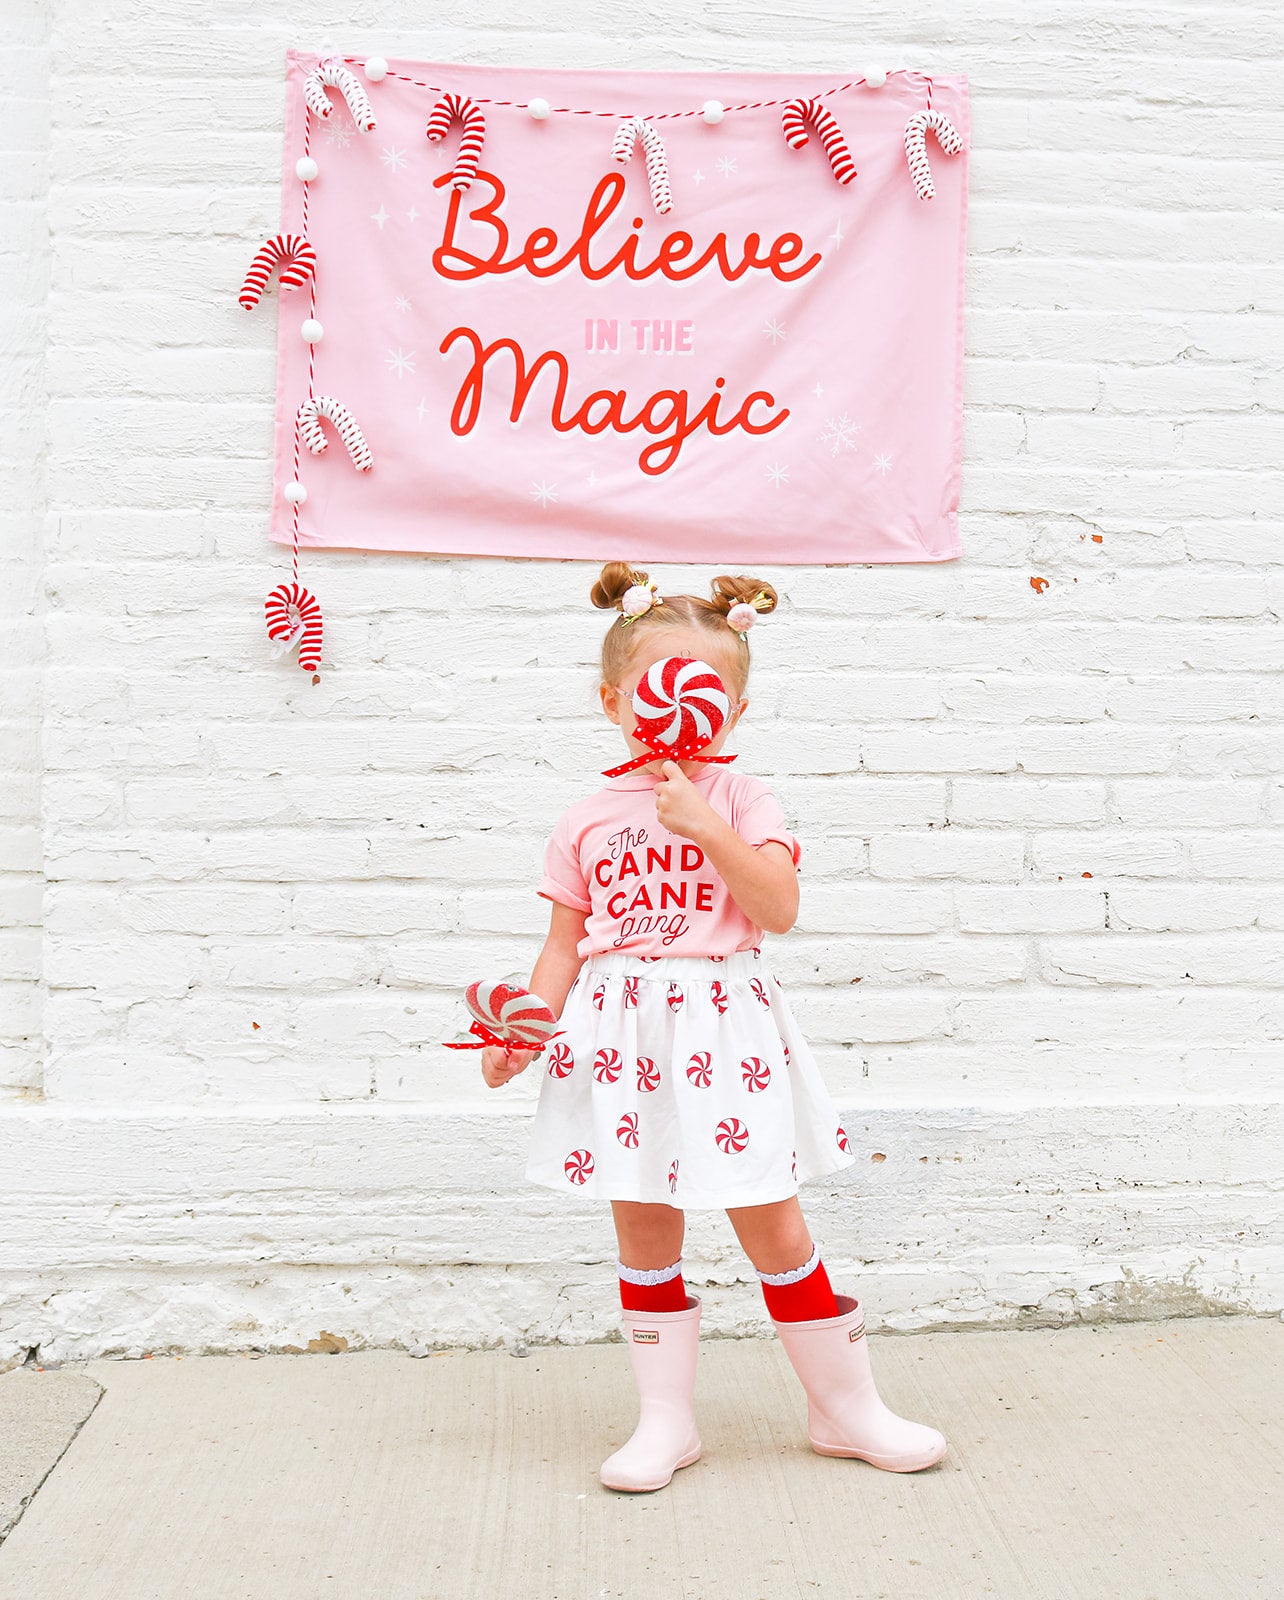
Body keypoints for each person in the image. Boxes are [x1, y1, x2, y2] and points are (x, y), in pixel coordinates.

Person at [481, 561, 946, 1492]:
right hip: (620, 1040)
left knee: (770, 1219)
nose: (685, 712)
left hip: (723, 1029)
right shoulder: (584, 822)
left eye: (712, 696)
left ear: (732, 708)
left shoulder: (741, 799)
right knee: (644, 1222)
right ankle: (665, 1420)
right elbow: (563, 946)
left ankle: (845, 1407)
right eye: (652, 690)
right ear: (614, 699)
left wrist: (703, 826)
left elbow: (778, 907)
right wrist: (521, 1029)